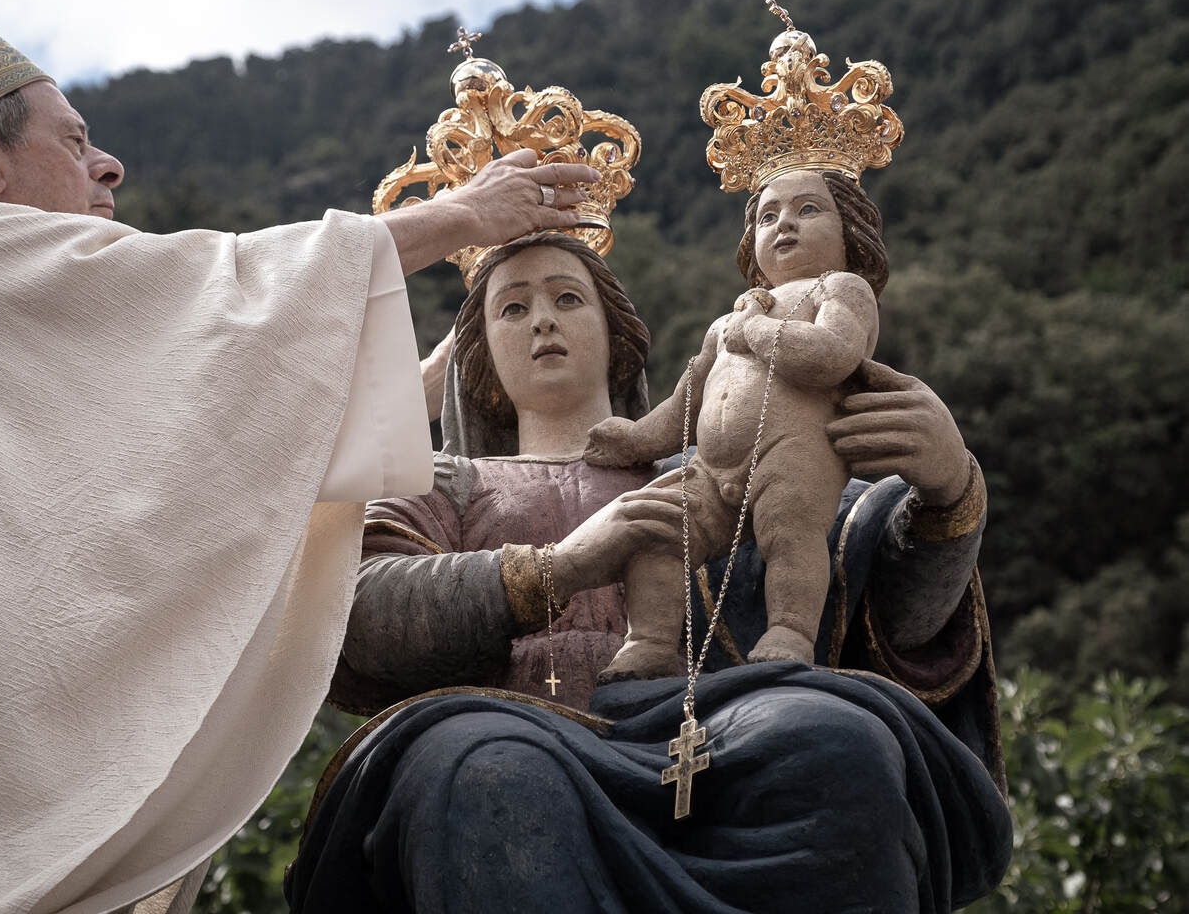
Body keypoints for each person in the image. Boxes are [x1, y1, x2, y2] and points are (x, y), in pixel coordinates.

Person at [0, 0, 598, 914]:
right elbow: (222, 302)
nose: (109, 163)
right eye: (75, 140)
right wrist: (457, 214)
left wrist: (423, 379)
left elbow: (177, 470)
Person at [288, 232, 1011, 912]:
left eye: (568, 298)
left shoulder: (721, 474)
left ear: (617, 335)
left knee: (835, 738)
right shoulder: (441, 481)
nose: (543, 320)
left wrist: (948, 491)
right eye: (513, 306)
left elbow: (885, 610)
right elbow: (360, 616)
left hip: (709, 722)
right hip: (505, 725)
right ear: (479, 355)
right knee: (490, 776)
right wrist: (561, 566)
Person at [584, 167, 886, 674]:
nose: (784, 224)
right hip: (709, 466)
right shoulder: (726, 321)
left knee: (789, 533)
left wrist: (757, 329)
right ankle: (652, 644)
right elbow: (687, 402)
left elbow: (833, 355)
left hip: (793, 453)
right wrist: (637, 438)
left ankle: (789, 632)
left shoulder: (840, 288)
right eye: (769, 216)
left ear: (848, 229)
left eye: (807, 210)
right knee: (661, 532)